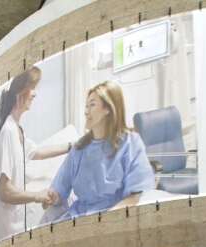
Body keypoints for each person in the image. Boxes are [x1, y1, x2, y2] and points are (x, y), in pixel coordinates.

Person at [45, 80, 155, 221]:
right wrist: (53, 197)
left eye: (92, 105)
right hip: (79, 218)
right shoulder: (79, 148)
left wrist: (105, 222)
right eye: (86, 106)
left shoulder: (130, 143)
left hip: (116, 217)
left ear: (108, 109)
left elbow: (134, 197)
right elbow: (60, 189)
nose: (86, 111)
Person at [0, 66, 72, 244]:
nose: (35, 94)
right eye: (33, 88)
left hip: (17, 226)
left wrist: (70, 146)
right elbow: (4, 192)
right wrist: (38, 195)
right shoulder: (8, 132)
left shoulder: (17, 129)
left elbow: (37, 152)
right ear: (21, 92)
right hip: (7, 230)